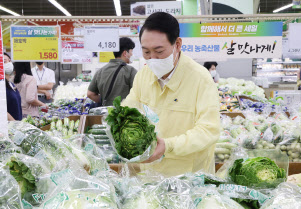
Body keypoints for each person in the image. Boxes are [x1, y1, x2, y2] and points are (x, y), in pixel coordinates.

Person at [123, 12, 220, 177]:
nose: (152, 59)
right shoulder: (143, 75)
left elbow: (209, 131)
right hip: (150, 176)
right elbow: (129, 109)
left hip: (189, 179)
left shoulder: (200, 79)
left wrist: (168, 146)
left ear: (177, 44)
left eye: (159, 51)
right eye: (146, 52)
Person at [87, 37, 138, 106]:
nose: (132, 55)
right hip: (125, 114)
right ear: (125, 53)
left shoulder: (100, 71)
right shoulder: (131, 71)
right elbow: (138, 94)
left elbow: (90, 94)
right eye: (131, 52)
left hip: (106, 114)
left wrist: (105, 101)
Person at [4, 53, 22, 121]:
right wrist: (15, 124)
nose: (8, 63)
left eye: (9, 60)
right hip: (10, 127)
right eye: (4, 61)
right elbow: (1, 109)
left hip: (17, 124)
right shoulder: (0, 86)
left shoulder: (11, 84)